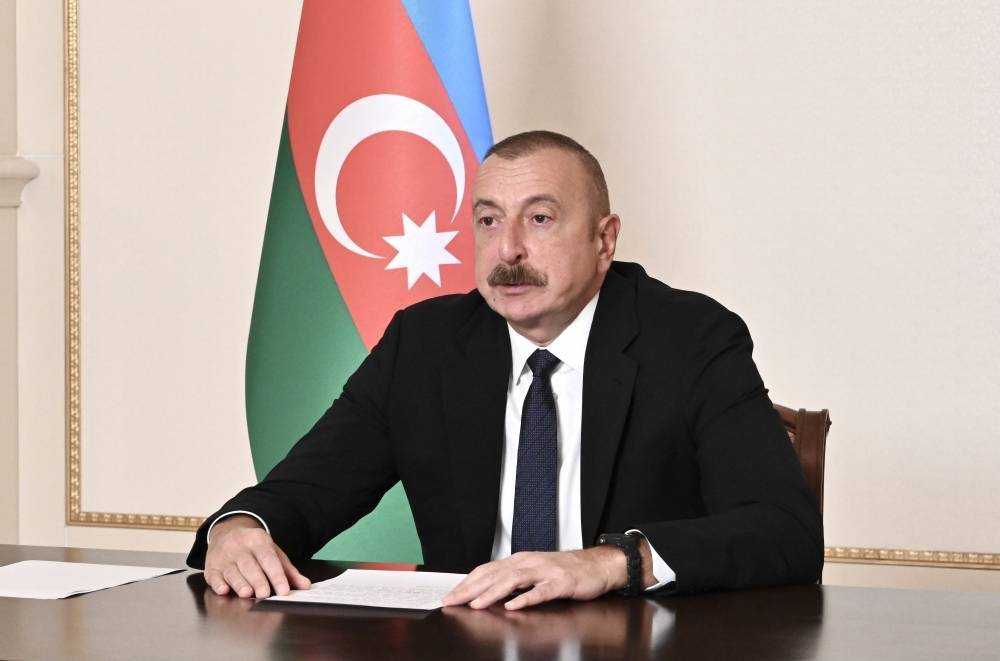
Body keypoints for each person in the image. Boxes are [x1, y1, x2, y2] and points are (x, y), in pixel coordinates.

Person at [187, 130, 823, 609]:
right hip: (470, 643)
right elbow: (304, 491)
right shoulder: (426, 345)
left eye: (540, 219)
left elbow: (785, 533)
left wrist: (611, 563)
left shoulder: (691, 338)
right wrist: (241, 528)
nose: (509, 250)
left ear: (604, 240)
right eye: (489, 221)